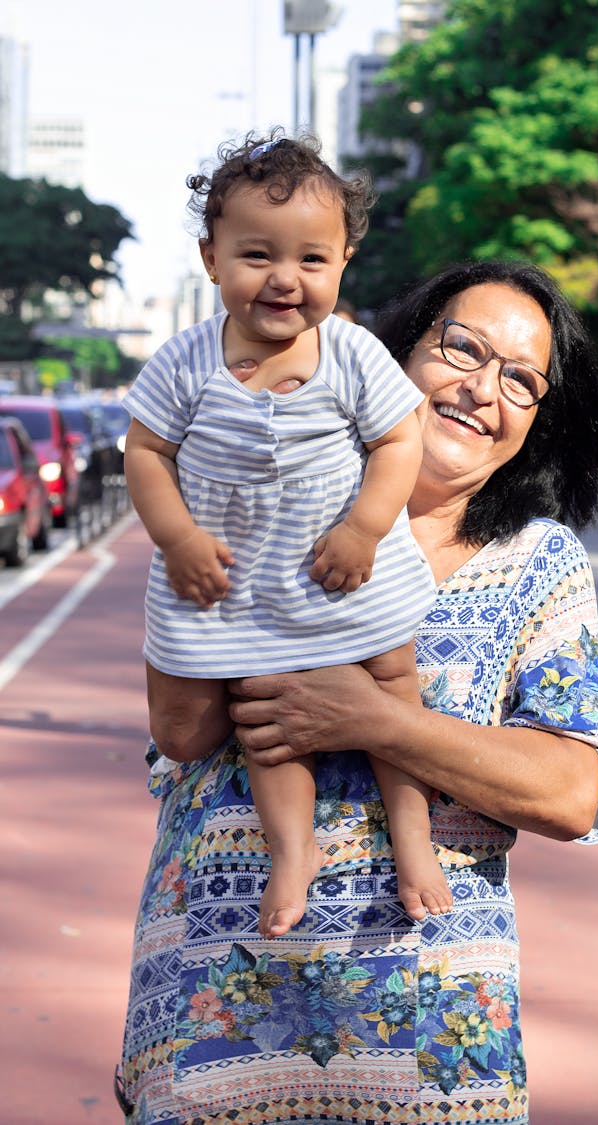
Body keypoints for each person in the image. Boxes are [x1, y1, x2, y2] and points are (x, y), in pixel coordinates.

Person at [116, 259, 598, 1125]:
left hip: (428, 1048)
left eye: (521, 380)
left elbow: (571, 793)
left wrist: (375, 720)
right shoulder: (265, 500)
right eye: (460, 348)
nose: (481, 389)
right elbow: (184, 731)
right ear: (387, 355)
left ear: (538, 422)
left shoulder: (538, 563)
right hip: (211, 1014)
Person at [122, 131, 449, 942]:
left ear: (342, 263)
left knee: (395, 680)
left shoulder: (351, 353)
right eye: (257, 254)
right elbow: (146, 454)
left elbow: (400, 440)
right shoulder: (184, 362)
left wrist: (367, 526)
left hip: (344, 568)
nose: (284, 279)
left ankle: (414, 840)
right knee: (266, 714)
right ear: (211, 258)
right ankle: (291, 848)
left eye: (312, 260)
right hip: (242, 585)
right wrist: (179, 539)